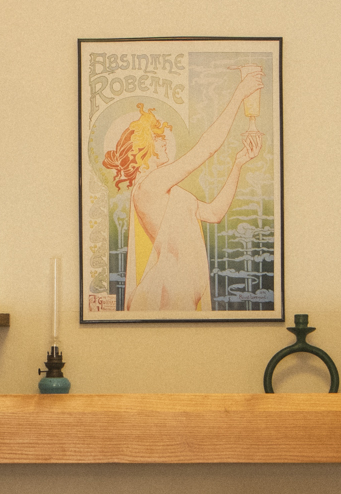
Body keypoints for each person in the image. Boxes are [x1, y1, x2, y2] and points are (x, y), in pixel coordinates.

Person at [100, 68, 263, 313]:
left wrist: (238, 164)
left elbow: (214, 214)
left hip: (175, 290)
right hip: (164, 291)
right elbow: (206, 148)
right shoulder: (149, 185)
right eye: (157, 138)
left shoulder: (168, 190)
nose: (164, 139)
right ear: (142, 146)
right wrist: (239, 94)